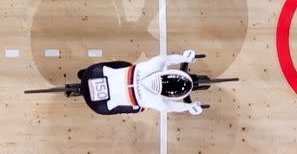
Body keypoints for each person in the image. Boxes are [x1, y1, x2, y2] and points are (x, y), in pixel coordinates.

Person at [76, 50, 204, 115]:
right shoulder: (154, 65)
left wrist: (188, 107)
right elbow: (122, 64)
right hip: (135, 78)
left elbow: (171, 107)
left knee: (163, 107)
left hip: (139, 96)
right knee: (159, 61)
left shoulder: (158, 102)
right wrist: (185, 57)